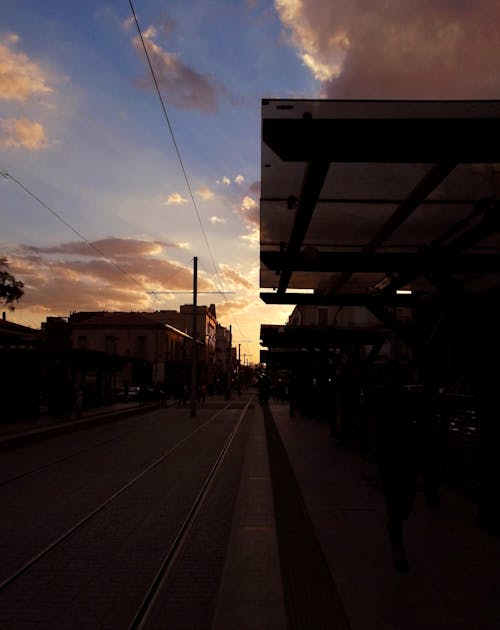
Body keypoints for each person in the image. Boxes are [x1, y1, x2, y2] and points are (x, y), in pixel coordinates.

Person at [373, 383, 417, 572]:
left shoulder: (403, 423)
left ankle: (394, 529)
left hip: (401, 464)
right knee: (396, 505)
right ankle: (398, 550)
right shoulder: (387, 423)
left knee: (404, 504)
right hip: (392, 465)